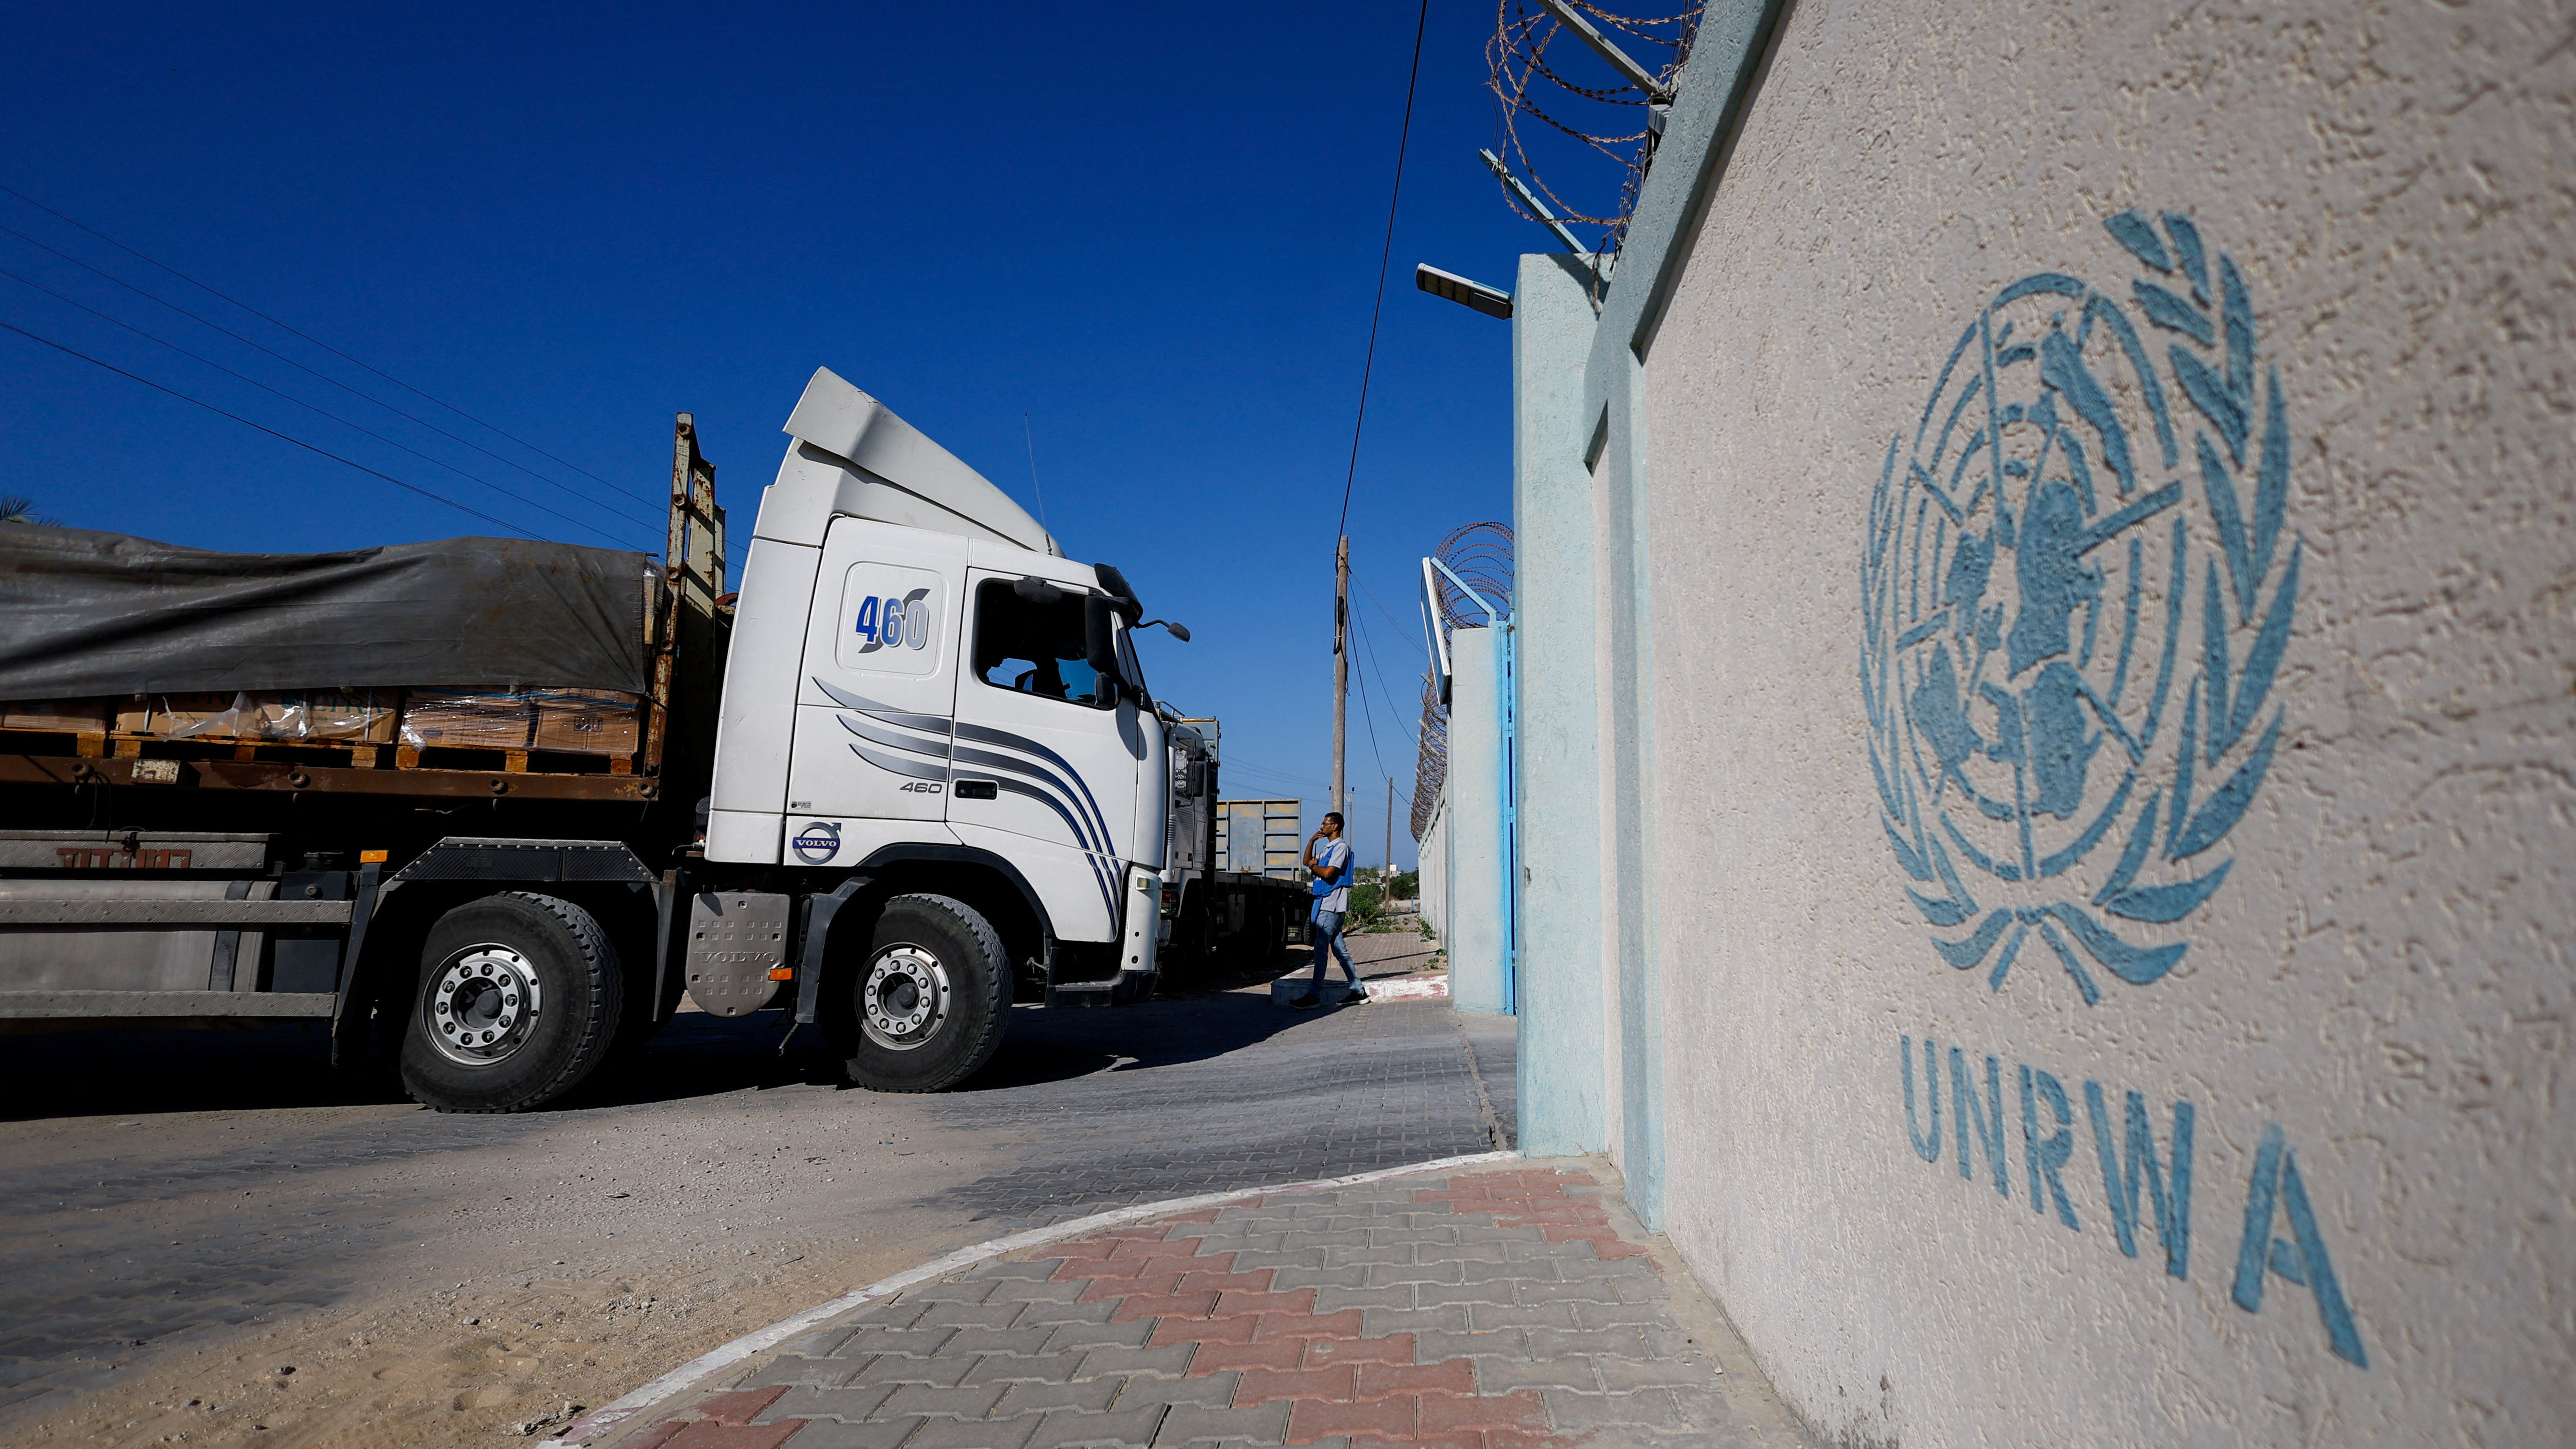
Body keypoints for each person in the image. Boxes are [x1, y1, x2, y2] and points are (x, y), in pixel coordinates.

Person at [1289, 812, 1364, 1009]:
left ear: (1336, 826)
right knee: (1340, 951)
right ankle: (1358, 991)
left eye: (1325, 824)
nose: (1322, 827)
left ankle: (1313, 996)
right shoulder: (1328, 849)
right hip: (1327, 904)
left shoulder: (1341, 848)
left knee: (1321, 952)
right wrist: (1312, 841)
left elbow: (1329, 873)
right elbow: (1307, 862)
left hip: (1332, 905)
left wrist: (1315, 867)